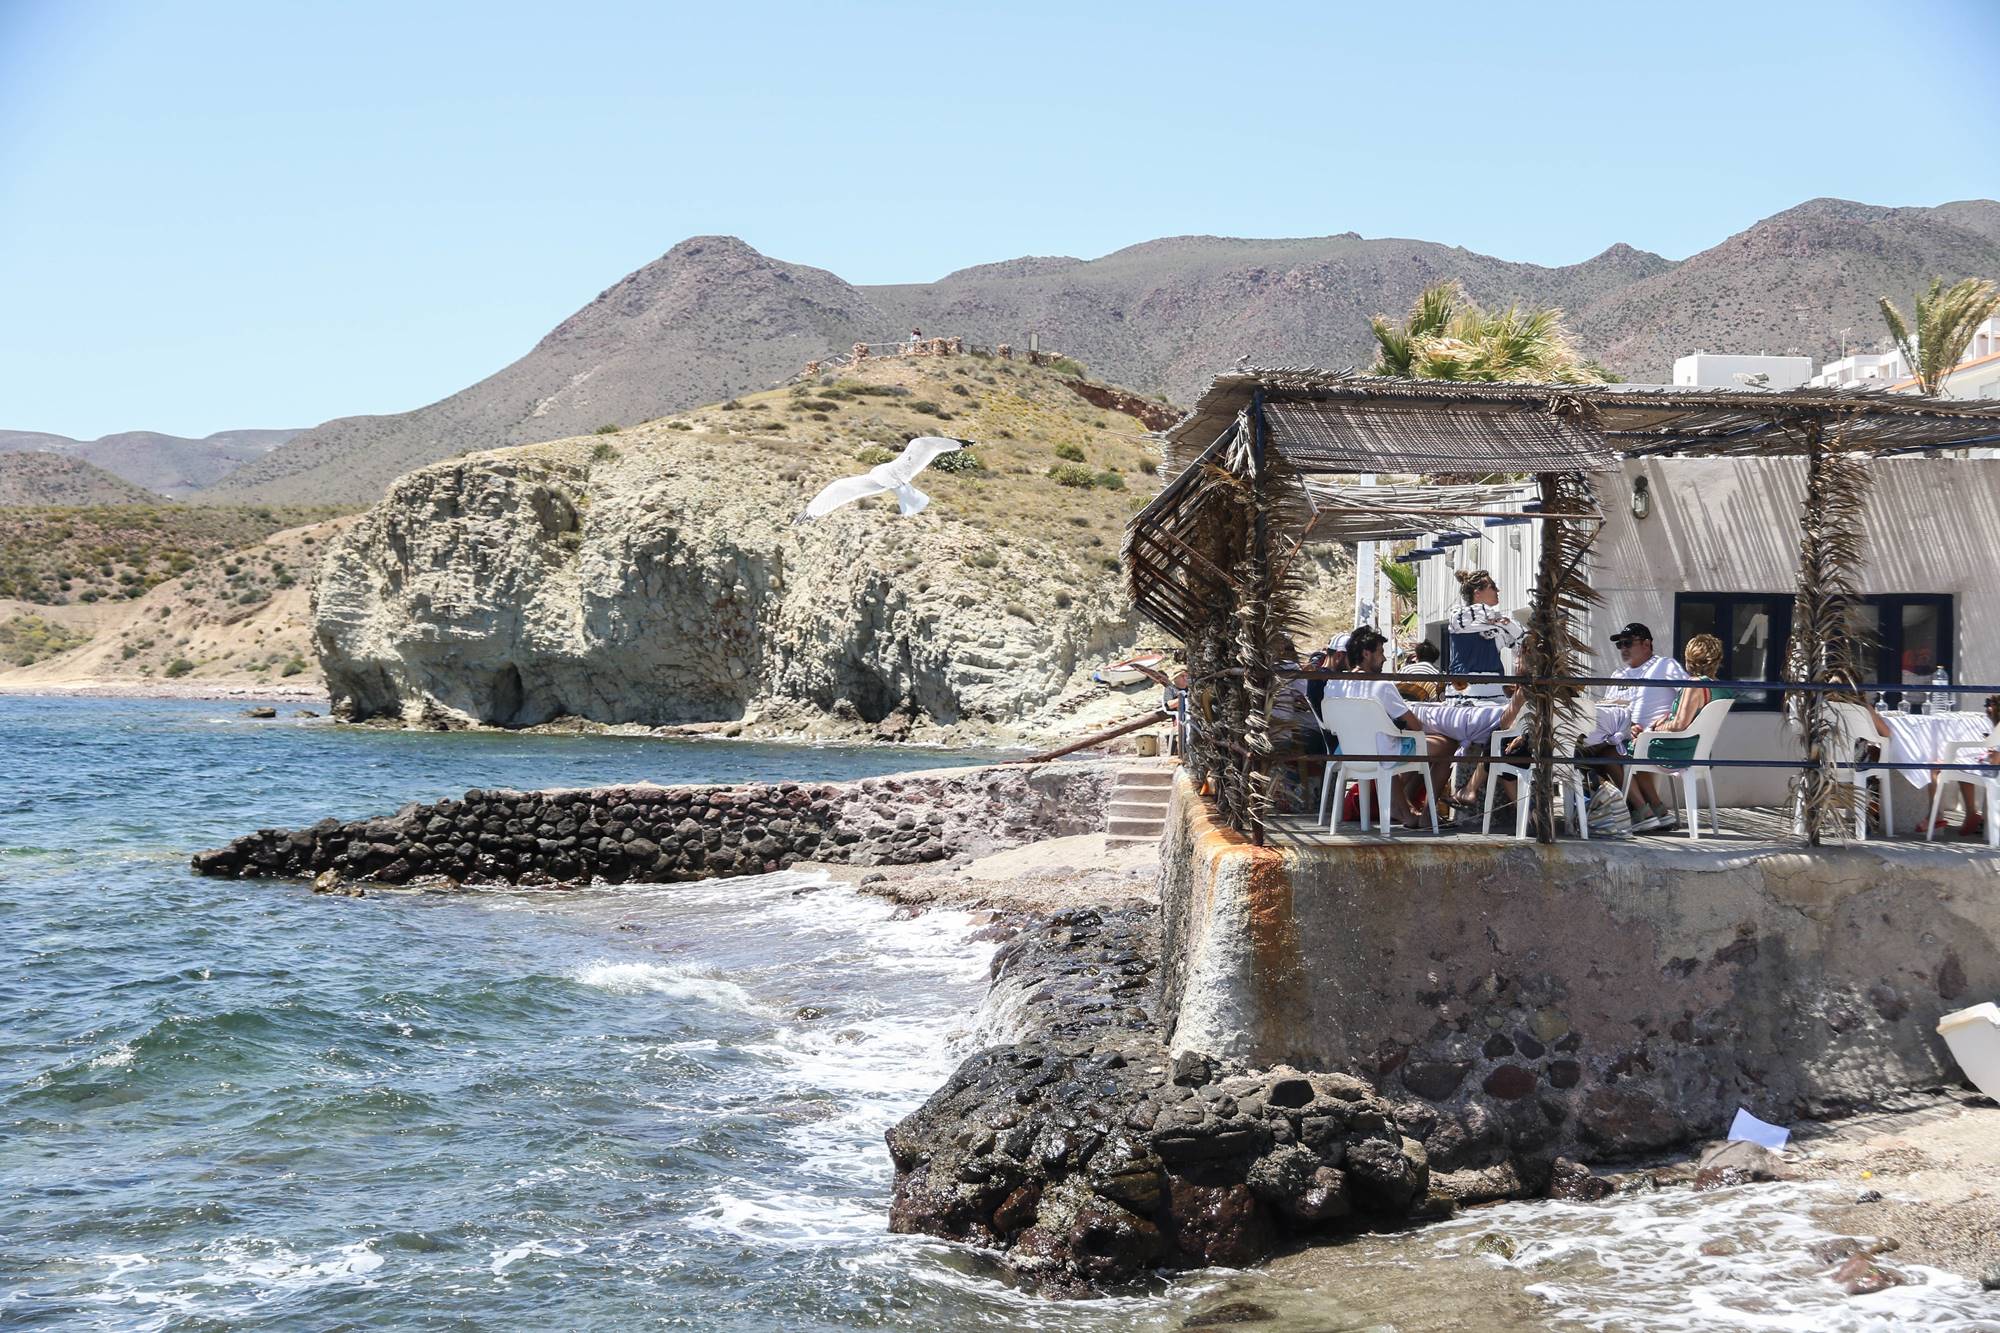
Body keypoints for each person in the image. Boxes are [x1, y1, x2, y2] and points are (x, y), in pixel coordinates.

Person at [1338, 626, 1456, 828]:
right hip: (1383, 752)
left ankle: (1403, 808)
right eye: (1380, 652)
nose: (1384, 659)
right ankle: (1427, 814)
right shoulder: (1381, 685)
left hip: (1348, 750)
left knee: (1393, 743)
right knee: (1447, 744)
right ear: (1366, 654)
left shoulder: (1337, 684)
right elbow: (1415, 725)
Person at [1625, 633, 1728, 833]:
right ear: (1717, 659)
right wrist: (1664, 720)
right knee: (1639, 745)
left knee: (1621, 750)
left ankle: (1640, 811)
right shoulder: (1721, 689)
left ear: (1689, 659)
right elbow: (1691, 719)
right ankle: (1658, 810)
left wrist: (1655, 728)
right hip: (1699, 750)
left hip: (1680, 752)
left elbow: (1680, 724)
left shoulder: (1694, 686)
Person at [1447, 570, 1524, 698]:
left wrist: (1508, 625)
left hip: (1493, 693)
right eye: (1492, 587)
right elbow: (1469, 619)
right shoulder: (1459, 617)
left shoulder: (1498, 622)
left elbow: (1523, 641)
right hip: (1464, 693)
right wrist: (1496, 621)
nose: (1497, 590)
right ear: (1477, 593)